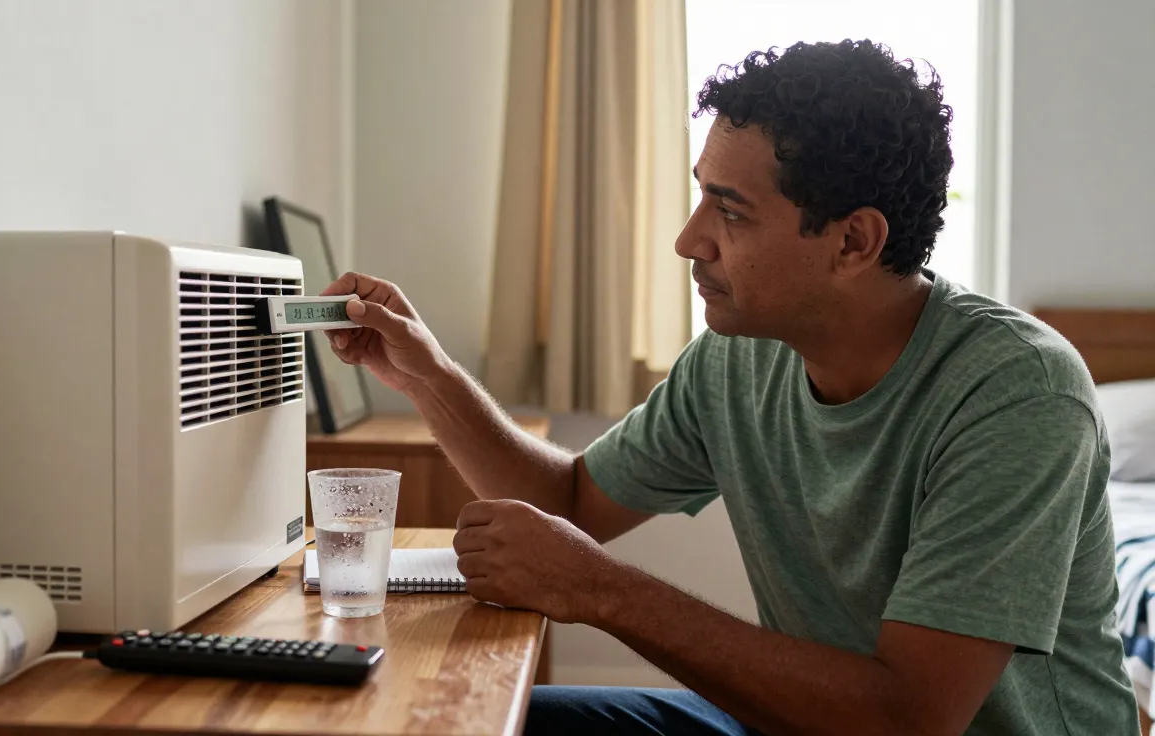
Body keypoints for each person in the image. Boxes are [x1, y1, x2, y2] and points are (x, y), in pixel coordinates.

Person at [320, 39, 1139, 735]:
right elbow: (568, 505)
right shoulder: (740, 356)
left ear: (854, 241)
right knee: (447, 717)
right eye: (698, 195)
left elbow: (907, 718)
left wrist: (600, 591)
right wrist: (426, 373)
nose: (688, 240)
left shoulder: (1017, 395)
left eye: (730, 211)